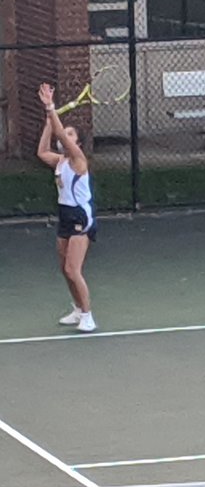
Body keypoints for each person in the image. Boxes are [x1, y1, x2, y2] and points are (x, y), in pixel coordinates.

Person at [36, 83, 97, 333]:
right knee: (65, 269)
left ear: (78, 143)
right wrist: (50, 121)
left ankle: (88, 316)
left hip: (80, 216)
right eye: (66, 133)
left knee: (73, 269)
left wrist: (51, 108)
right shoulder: (59, 161)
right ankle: (77, 309)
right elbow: (41, 151)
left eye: (72, 135)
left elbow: (60, 137)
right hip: (64, 215)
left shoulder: (78, 160)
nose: (66, 137)